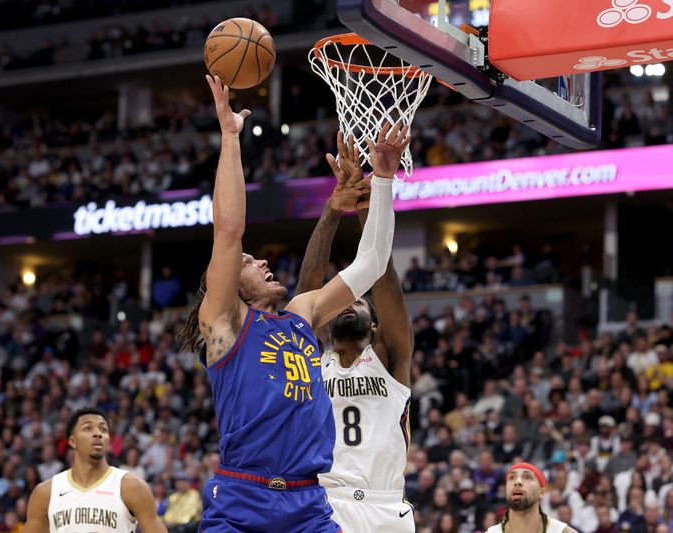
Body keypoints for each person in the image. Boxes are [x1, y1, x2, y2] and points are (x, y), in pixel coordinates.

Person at [179, 76, 400, 532]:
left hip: (308, 503)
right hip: (242, 498)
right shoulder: (224, 323)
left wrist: (382, 178)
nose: (260, 260)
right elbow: (228, 229)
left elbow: (373, 261)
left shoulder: (301, 315)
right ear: (225, 287)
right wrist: (229, 137)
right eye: (246, 262)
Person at [294, 127, 413, 532]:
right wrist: (332, 209)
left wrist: (367, 204)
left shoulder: (390, 358)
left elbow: (382, 274)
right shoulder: (309, 360)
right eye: (344, 301)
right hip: (324, 502)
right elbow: (307, 291)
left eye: (358, 301)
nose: (351, 303)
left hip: (385, 507)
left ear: (376, 326)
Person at [22, 407, 166, 532]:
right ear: (73, 441)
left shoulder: (131, 487)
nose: (98, 433)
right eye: (88, 428)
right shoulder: (46, 492)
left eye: (103, 429)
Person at [486, 463, 578, 533]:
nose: (517, 482)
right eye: (512, 478)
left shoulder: (561, 531)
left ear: (541, 492)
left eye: (527, 477)